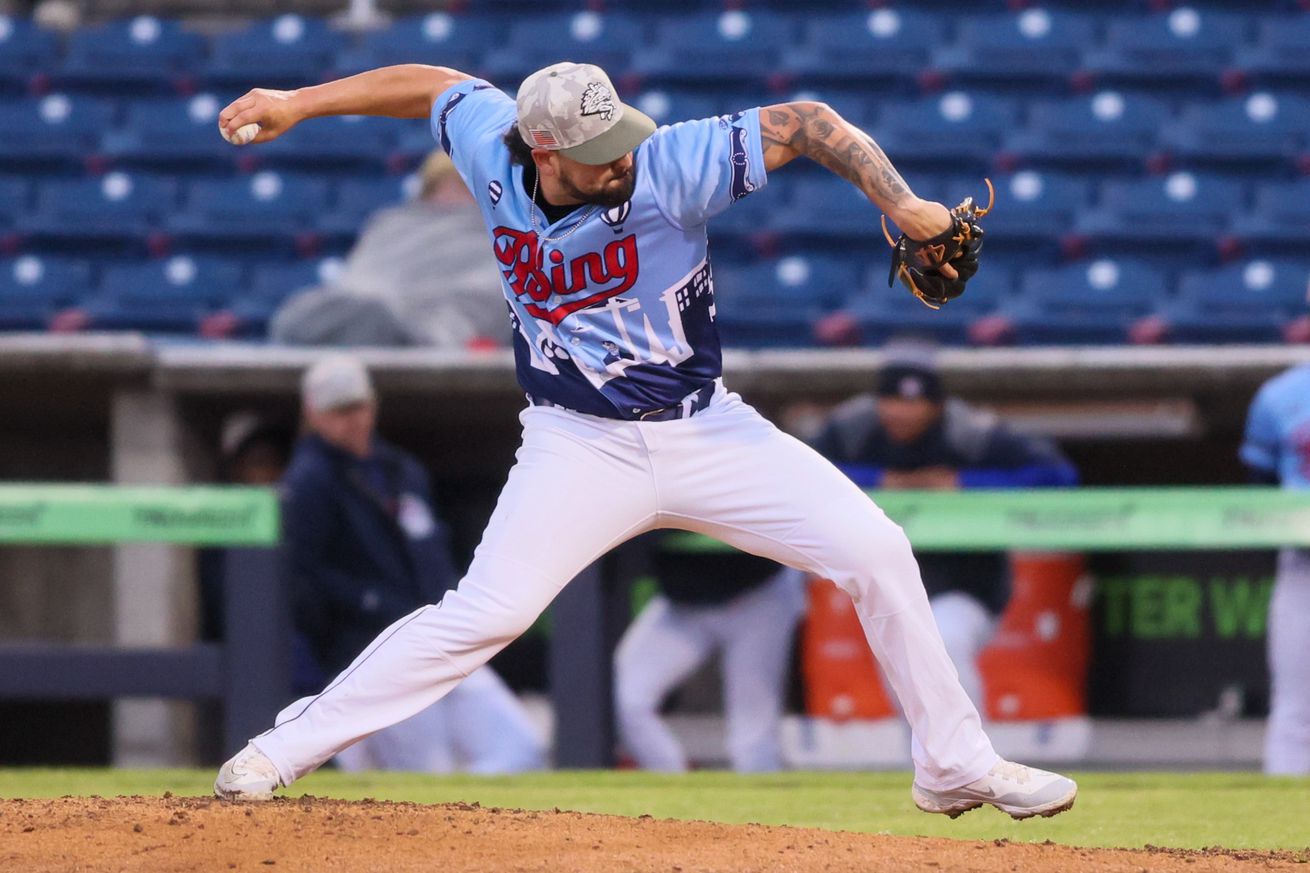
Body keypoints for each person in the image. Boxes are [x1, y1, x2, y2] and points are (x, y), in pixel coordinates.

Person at [213, 59, 1078, 819]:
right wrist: (301, 101)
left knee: (878, 549)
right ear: (542, 150)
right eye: (597, 149)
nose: (621, 155)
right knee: (490, 613)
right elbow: (432, 87)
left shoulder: (668, 165)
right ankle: (283, 750)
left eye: (621, 135)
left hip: (707, 429)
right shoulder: (491, 148)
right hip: (576, 443)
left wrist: (906, 203)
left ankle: (954, 763)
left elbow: (808, 122)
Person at [279, 354, 545, 774]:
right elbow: (302, 578)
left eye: (358, 407)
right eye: (338, 411)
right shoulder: (309, 480)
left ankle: (474, 830)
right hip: (376, 648)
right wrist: (368, 607)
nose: (353, 420)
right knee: (426, 770)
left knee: (520, 747)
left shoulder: (401, 469)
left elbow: (431, 547)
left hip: (440, 631)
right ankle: (430, 835)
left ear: (373, 403)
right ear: (314, 415)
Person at [810, 352, 1079, 710]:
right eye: (891, 401)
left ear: (936, 406)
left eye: (914, 403)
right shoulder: (853, 430)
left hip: (967, 583)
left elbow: (1058, 476)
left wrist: (965, 482)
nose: (901, 412)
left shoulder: (970, 432)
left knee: (942, 641)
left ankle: (975, 760)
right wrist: (881, 481)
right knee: (902, 673)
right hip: (888, 583)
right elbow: (803, 471)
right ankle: (932, 763)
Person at [270, 151, 509, 348]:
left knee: (378, 317)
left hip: (432, 327)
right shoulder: (392, 224)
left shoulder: (505, 238)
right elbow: (364, 275)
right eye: (443, 187)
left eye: (466, 188)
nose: (454, 199)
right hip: (366, 308)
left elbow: (489, 295)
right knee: (303, 316)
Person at [614, 539, 803, 772]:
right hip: (683, 602)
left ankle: (763, 805)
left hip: (759, 595)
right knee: (629, 698)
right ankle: (673, 790)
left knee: (753, 737)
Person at [1240, 362, 1310, 775]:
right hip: (1303, 560)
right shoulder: (1281, 394)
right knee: (1296, 706)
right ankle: (1285, 837)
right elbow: (1260, 485)